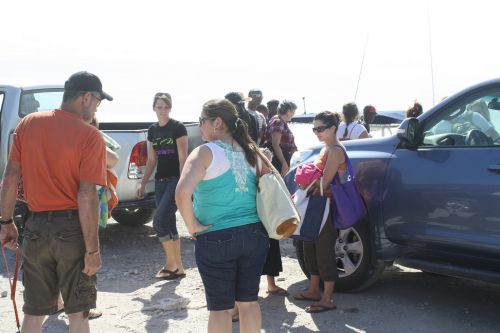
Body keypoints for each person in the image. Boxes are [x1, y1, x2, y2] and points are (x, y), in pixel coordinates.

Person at [0, 71, 111, 332]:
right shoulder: (90, 136)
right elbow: (86, 196)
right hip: (71, 230)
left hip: (35, 227)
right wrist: (93, 251)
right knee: (78, 314)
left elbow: (10, 177)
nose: (97, 106)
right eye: (98, 100)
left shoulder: (28, 124)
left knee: (34, 313)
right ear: (86, 97)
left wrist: (6, 222)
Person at [175, 99, 269, 333]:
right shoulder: (252, 152)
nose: (199, 127)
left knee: (220, 309)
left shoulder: (205, 152)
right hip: (254, 235)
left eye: (201, 121)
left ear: (217, 122)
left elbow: (182, 193)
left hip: (216, 237)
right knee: (249, 302)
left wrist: (192, 226)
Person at [293, 111, 343, 313]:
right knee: (309, 247)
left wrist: (306, 182)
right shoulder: (327, 148)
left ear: (333, 128)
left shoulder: (336, 150)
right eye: (314, 129)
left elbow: (325, 182)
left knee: (323, 251)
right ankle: (314, 290)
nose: (316, 132)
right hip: (317, 203)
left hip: (326, 205)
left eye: (320, 129)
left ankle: (327, 298)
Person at [137, 92, 187, 280]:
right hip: (160, 181)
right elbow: (151, 159)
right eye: (159, 107)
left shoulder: (178, 127)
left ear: (170, 108)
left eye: (166, 107)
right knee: (168, 222)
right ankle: (179, 267)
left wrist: (183, 183)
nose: (163, 110)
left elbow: (183, 158)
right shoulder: (152, 130)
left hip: (175, 179)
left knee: (158, 222)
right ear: (154, 108)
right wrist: (143, 183)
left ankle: (170, 264)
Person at [261, 100, 298, 297]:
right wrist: (282, 163)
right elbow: (275, 144)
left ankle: (271, 283)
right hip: (275, 164)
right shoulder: (277, 121)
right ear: (289, 110)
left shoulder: (280, 121)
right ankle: (270, 283)